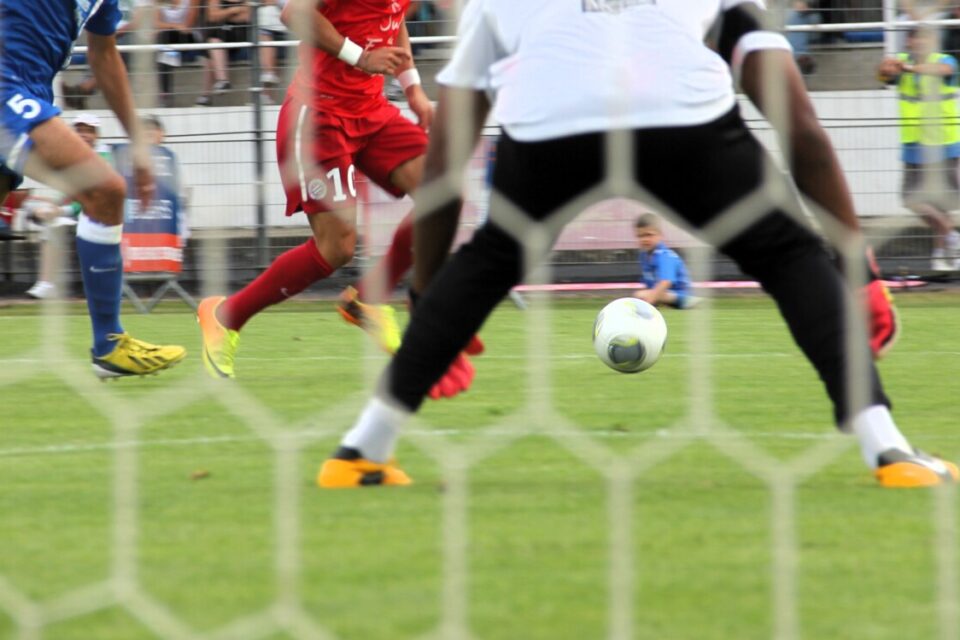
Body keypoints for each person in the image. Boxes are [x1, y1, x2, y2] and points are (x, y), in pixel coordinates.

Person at [315, 0, 955, 489]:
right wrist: (857, 269)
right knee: (787, 252)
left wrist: (430, 300)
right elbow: (802, 129)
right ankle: (886, 447)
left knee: (492, 255)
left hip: (549, 127)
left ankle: (362, 449)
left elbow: (445, 172)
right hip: (681, 120)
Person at [196, 0, 478, 398]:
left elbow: (392, 23)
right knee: (338, 247)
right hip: (318, 116)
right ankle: (225, 316)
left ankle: (368, 299)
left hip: (372, 111)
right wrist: (361, 57)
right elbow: (294, 14)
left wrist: (412, 87)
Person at [0, 0, 186, 378]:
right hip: (7, 86)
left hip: (30, 90)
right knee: (104, 190)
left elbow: (104, 53)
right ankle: (108, 343)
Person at [878, 26, 960, 271]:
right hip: (914, 142)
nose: (922, 43)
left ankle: (943, 255)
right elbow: (883, 75)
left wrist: (910, 68)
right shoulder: (900, 62)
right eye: (917, 38)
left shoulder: (943, 60)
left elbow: (946, 71)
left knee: (943, 202)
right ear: (909, 42)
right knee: (910, 198)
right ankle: (951, 237)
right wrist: (886, 69)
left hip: (943, 141)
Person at [23, 113, 111, 300]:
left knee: (53, 224)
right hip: (79, 214)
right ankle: (47, 283)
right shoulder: (73, 158)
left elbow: (92, 198)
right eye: (80, 130)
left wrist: (59, 210)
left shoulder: (102, 159)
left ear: (97, 135)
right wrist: (53, 205)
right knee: (42, 214)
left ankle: (47, 283)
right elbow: (70, 193)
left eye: (89, 131)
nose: (84, 135)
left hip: (99, 217)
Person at [632, 213, 699, 310]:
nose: (644, 239)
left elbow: (666, 282)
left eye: (649, 235)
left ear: (660, 235)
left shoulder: (665, 255)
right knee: (640, 295)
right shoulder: (644, 255)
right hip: (667, 296)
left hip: (685, 297)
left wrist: (648, 303)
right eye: (640, 236)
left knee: (640, 295)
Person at [195, 0, 252, 107]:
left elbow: (247, 17)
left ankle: (206, 94)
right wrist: (234, 10)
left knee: (211, 43)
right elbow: (212, 16)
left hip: (238, 34)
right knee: (213, 41)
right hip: (219, 34)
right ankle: (222, 81)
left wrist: (223, 14)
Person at [154, 0, 201, 109]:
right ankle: (166, 93)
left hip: (187, 39)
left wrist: (167, 27)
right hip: (167, 39)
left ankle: (165, 94)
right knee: (164, 41)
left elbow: (188, 26)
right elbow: (156, 23)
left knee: (163, 43)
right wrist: (174, 26)